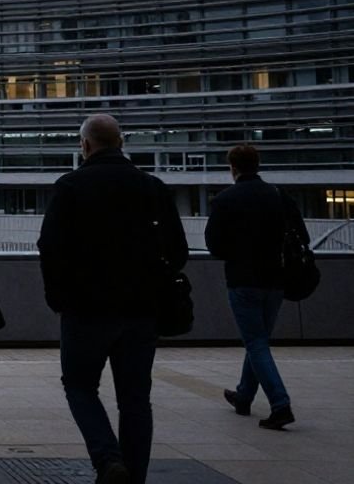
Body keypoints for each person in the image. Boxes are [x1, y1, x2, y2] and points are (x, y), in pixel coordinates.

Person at [37, 114, 188, 484]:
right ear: (121, 143)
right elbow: (178, 250)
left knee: (79, 386)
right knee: (136, 399)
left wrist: (60, 298)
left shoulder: (70, 186)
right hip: (142, 310)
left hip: (86, 309)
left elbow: (50, 248)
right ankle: (134, 475)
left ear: (85, 146)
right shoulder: (152, 187)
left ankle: (107, 458)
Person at [205, 144, 308, 430]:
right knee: (258, 339)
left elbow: (214, 244)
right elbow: (301, 235)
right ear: (258, 164)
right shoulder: (278, 195)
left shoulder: (226, 199)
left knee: (256, 342)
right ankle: (243, 396)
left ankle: (280, 403)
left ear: (232, 168)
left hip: (242, 279)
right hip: (276, 279)